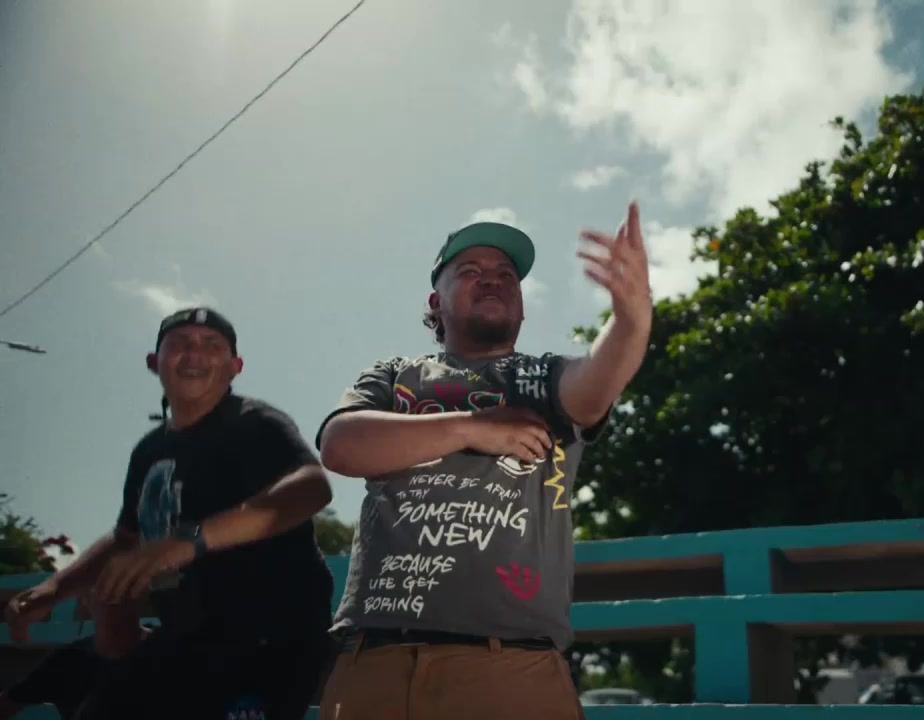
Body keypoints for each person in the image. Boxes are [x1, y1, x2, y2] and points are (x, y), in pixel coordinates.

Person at [315, 204, 652, 719]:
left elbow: (595, 382)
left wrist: (630, 320)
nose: (492, 280)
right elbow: (341, 445)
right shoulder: (394, 375)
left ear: (522, 307)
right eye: (471, 271)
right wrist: (475, 428)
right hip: (374, 660)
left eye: (506, 276)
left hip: (511, 666)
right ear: (436, 301)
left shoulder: (544, 378)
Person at [3, 307, 337, 720]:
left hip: (270, 639)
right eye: (179, 343)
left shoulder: (255, 423)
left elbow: (311, 487)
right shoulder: (149, 451)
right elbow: (126, 539)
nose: (194, 354)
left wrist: (190, 540)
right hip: (184, 639)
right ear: (153, 362)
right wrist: (54, 589)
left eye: (211, 346)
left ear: (235, 367)